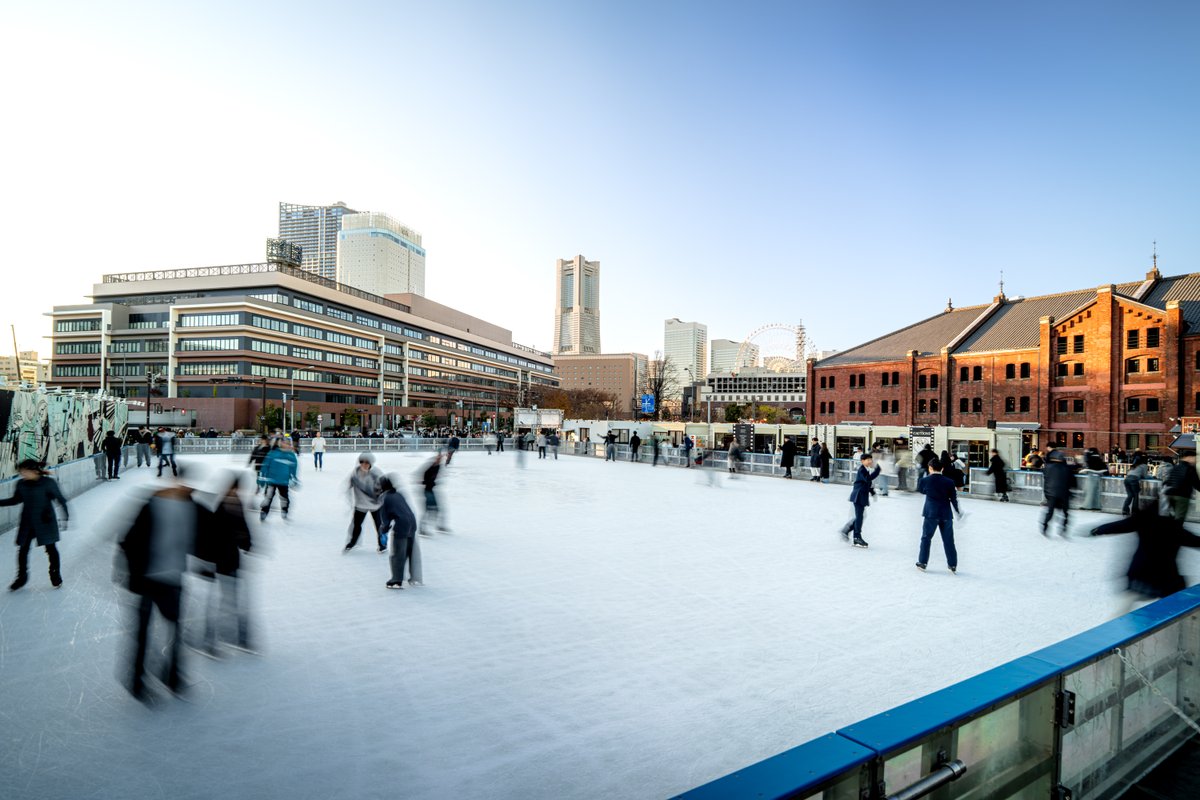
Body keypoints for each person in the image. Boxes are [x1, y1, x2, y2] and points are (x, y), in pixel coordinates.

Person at [115, 468, 205, 700]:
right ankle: (136, 679)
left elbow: (201, 538)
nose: (185, 488)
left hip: (173, 579)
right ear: (174, 481)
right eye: (182, 483)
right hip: (147, 578)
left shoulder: (193, 507)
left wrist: (210, 562)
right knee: (143, 632)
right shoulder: (152, 504)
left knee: (176, 630)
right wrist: (129, 573)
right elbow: (128, 540)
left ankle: (172, 675)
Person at [1090, 500, 1200, 610]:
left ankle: (1121, 619)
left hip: (1138, 576)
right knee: (1177, 596)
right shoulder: (1175, 529)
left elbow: (1120, 525)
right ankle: (1174, 619)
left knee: (1130, 599)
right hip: (1164, 580)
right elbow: (1194, 541)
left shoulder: (1143, 520)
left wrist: (1098, 530)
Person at [192, 473, 254, 655]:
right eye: (235, 488)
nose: (237, 492)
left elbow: (242, 530)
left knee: (232, 601)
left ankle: (239, 639)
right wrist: (205, 562)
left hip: (230, 560)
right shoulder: (219, 506)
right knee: (219, 603)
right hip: (217, 561)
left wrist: (248, 543)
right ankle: (207, 641)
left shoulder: (236, 503)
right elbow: (207, 536)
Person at [1, 460, 69, 590]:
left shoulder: (48, 483)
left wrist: (66, 516)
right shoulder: (21, 484)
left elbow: (60, 499)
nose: (22, 474)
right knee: (23, 550)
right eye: (21, 472)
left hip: (45, 522)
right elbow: (16, 500)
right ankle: (22, 577)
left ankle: (55, 575)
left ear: (34, 470)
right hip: (27, 522)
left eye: (24, 471)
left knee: (51, 549)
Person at [916, 458, 962, 573]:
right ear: (942, 468)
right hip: (946, 514)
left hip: (931, 513)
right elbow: (954, 499)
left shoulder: (924, 480)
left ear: (930, 468)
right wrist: (957, 511)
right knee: (948, 540)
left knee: (926, 538)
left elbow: (921, 490)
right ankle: (952, 564)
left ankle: (922, 562)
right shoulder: (949, 482)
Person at [379, 476, 419, 589]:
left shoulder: (385, 498)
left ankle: (396, 579)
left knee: (398, 553)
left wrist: (383, 531)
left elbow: (385, 519)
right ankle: (413, 576)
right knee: (408, 552)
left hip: (401, 525)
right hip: (412, 523)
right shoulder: (398, 494)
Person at [346, 453, 386, 552]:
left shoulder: (377, 473)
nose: (364, 464)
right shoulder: (356, 472)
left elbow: (385, 488)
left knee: (379, 526)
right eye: (361, 462)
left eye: (367, 462)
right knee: (356, 525)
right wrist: (350, 499)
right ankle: (353, 542)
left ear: (371, 463)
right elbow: (349, 485)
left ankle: (382, 544)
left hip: (375, 506)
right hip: (360, 505)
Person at [840, 452, 880, 548]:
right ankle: (856, 537)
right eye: (868, 460)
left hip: (861, 495)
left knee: (861, 516)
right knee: (860, 517)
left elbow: (868, 483)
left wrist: (872, 492)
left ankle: (847, 530)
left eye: (871, 459)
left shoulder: (866, 470)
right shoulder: (862, 470)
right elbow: (868, 479)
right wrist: (877, 470)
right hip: (858, 496)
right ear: (862, 461)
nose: (870, 461)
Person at [259, 439, 299, 521]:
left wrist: (294, 478)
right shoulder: (273, 453)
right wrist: (262, 477)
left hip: (284, 481)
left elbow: (293, 468)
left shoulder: (291, 456)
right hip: (271, 480)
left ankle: (284, 511)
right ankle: (264, 512)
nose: (286, 444)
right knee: (268, 498)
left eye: (288, 443)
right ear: (280, 443)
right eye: (284, 442)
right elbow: (265, 466)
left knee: (285, 498)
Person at [1041, 449, 1074, 536]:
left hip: (1051, 493)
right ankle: (1063, 528)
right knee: (1065, 512)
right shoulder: (1067, 469)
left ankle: (1045, 526)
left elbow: (1046, 479)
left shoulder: (1047, 467)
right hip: (1064, 493)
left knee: (1050, 511)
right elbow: (1072, 482)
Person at [1162, 452, 1200, 522]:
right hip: (1182, 496)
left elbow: (1168, 481)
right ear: (1188, 457)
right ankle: (1177, 530)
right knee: (1179, 517)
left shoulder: (1176, 467)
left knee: (1172, 514)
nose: (1195, 460)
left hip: (1170, 494)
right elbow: (1196, 483)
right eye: (1194, 458)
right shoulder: (1190, 468)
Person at [419, 452, 449, 534]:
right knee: (428, 510)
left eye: (440, 459)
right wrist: (427, 482)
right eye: (438, 459)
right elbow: (424, 478)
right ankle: (422, 528)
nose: (439, 460)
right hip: (427, 491)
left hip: (431, 490)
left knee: (438, 509)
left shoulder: (438, 467)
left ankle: (439, 525)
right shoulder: (430, 467)